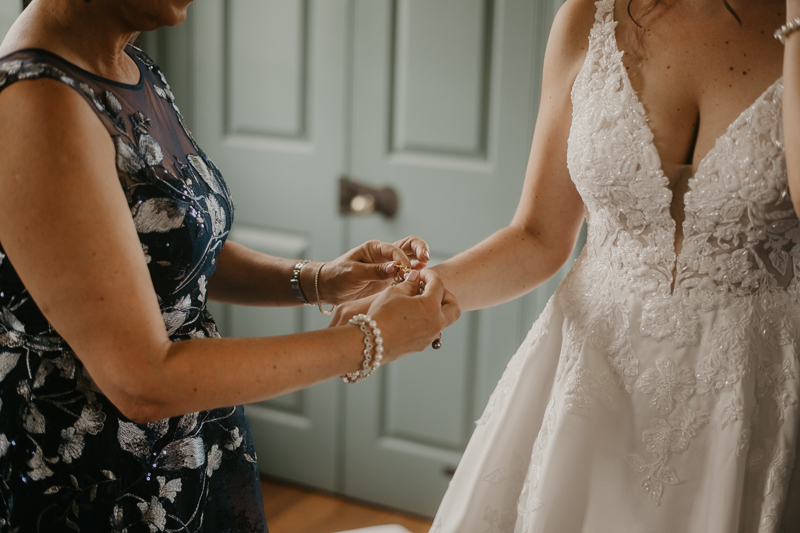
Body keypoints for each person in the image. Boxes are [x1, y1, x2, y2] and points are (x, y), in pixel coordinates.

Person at [333, 0, 800, 530]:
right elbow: (536, 236)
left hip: (750, 388)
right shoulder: (587, 17)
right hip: (589, 375)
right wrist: (427, 290)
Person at [0, 0, 459, 531]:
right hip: (99, 480)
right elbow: (142, 381)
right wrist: (369, 339)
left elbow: (167, 253)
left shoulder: (130, 68)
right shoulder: (34, 101)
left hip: (190, 447)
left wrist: (319, 281)